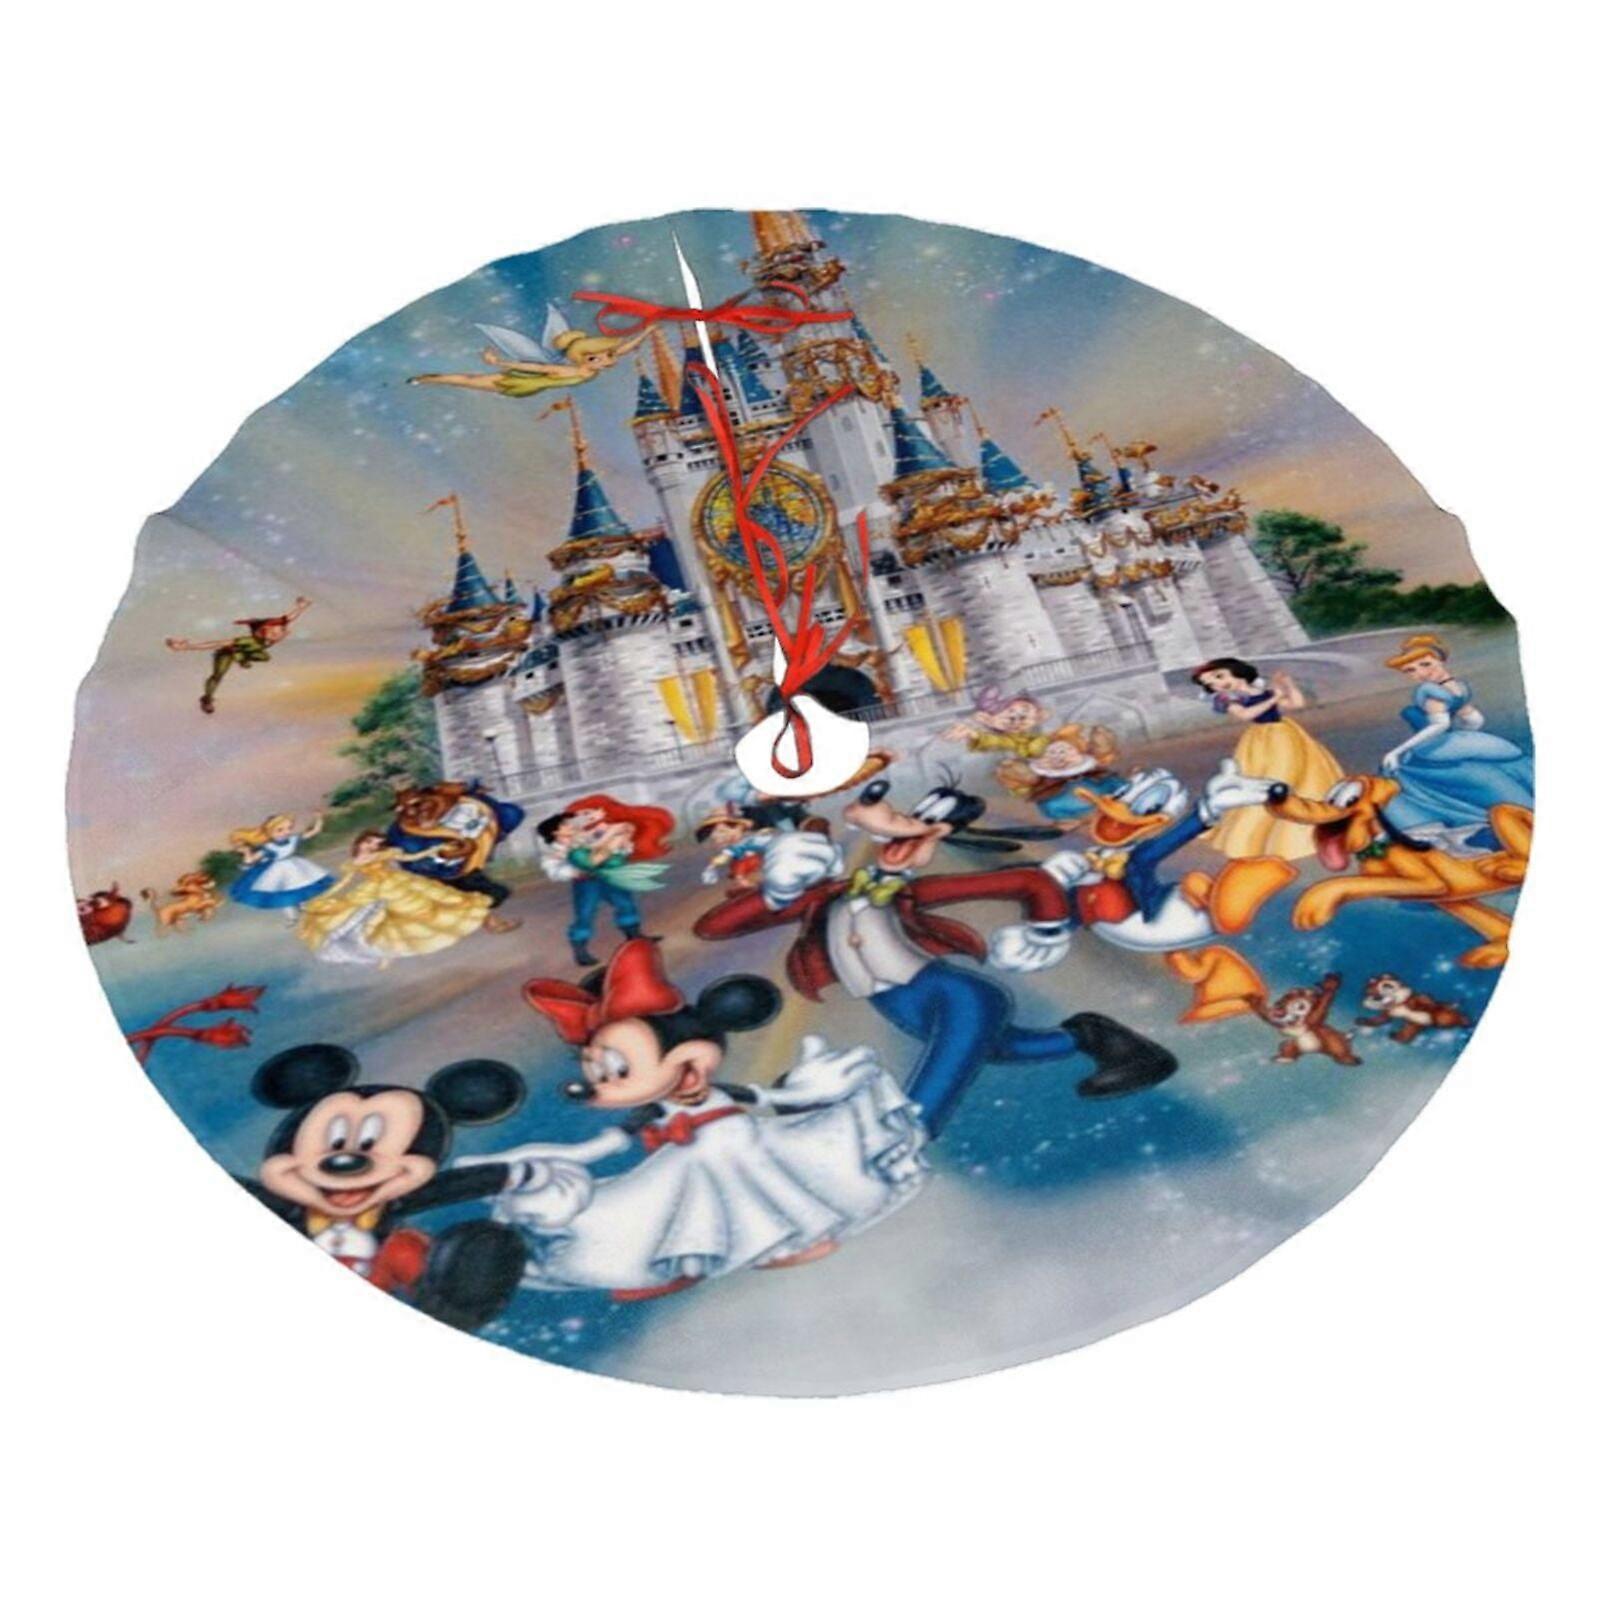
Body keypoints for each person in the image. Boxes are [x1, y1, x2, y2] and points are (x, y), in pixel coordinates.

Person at [462, 940, 927, 1302]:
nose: (599, 1085)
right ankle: (758, 1249)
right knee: (705, 1214)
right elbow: (604, 1144)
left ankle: (794, 1242)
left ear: (692, 1056)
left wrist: (813, 1091)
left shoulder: (712, 1091)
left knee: (784, 1190)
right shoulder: (657, 1111)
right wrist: (540, 1159)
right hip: (692, 1164)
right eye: (596, 1073)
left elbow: (768, 1097)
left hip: (746, 1148)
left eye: (618, 1070)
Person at [1378, 634, 1533, 846]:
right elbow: (1474, 720)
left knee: (1397, 773)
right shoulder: (1458, 687)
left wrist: (1397, 751)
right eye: (1410, 670)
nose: (1420, 673)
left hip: (1433, 748)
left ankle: (1429, 825)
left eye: (1425, 664)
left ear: (1440, 660)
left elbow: (1439, 725)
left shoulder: (1429, 691)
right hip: (1449, 742)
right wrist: (1464, 738)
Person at [1191, 657, 1342, 859]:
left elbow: (1296, 703)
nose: (1218, 684)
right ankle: (1264, 834)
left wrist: (1287, 684)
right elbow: (1245, 715)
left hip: (1286, 733)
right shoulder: (1227, 699)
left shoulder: (1261, 690)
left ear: (1236, 670)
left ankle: (1310, 818)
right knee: (1271, 780)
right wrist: (1273, 698)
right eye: (1210, 684)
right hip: (1262, 740)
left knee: (1301, 774)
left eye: (1219, 676)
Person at [294, 832, 494, 965]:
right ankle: (382, 951)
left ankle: (485, 921)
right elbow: (343, 883)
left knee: (437, 902)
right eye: (369, 842)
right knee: (378, 920)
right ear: (360, 842)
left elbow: (411, 857)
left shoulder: (385, 854)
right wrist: (322, 897)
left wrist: (434, 850)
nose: (373, 846)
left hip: (398, 881)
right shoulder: (352, 863)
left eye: (377, 843)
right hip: (376, 888)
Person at [537, 795, 673, 966]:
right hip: (587, 882)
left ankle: (634, 936)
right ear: (555, 832)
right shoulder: (556, 850)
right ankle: (580, 948)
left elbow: (604, 845)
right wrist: (574, 872)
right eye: (565, 825)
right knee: (585, 913)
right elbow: (555, 869)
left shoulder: (583, 836)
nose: (571, 825)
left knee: (625, 903)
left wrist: (620, 840)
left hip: (609, 876)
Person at [165, 597, 311, 714]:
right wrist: (188, 647)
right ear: (262, 631)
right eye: (274, 631)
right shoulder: (247, 640)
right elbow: (217, 643)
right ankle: (207, 699)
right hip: (227, 654)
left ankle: (242, 659)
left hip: (243, 653)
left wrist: (301, 607)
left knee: (264, 657)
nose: (280, 633)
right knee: (218, 676)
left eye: (281, 630)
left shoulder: (267, 637)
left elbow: (289, 618)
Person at [227, 812, 333, 914]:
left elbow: (314, 831)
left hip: (294, 865)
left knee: (300, 886)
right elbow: (251, 860)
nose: (286, 832)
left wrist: (319, 819)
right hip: (278, 871)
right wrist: (246, 852)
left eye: (289, 828)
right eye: (280, 830)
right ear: (270, 832)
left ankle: (304, 905)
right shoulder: (269, 846)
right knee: (283, 892)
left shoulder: (293, 839)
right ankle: (291, 914)